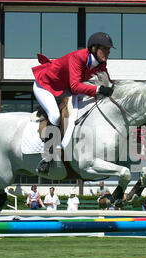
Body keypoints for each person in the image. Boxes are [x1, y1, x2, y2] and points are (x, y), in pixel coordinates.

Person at [32, 32, 115, 174]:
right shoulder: (79, 57)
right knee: (55, 116)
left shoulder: (101, 63)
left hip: (66, 88)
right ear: (94, 48)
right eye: (104, 49)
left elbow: (107, 80)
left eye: (108, 50)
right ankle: (46, 158)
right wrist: (99, 89)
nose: (107, 53)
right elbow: (76, 86)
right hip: (45, 85)